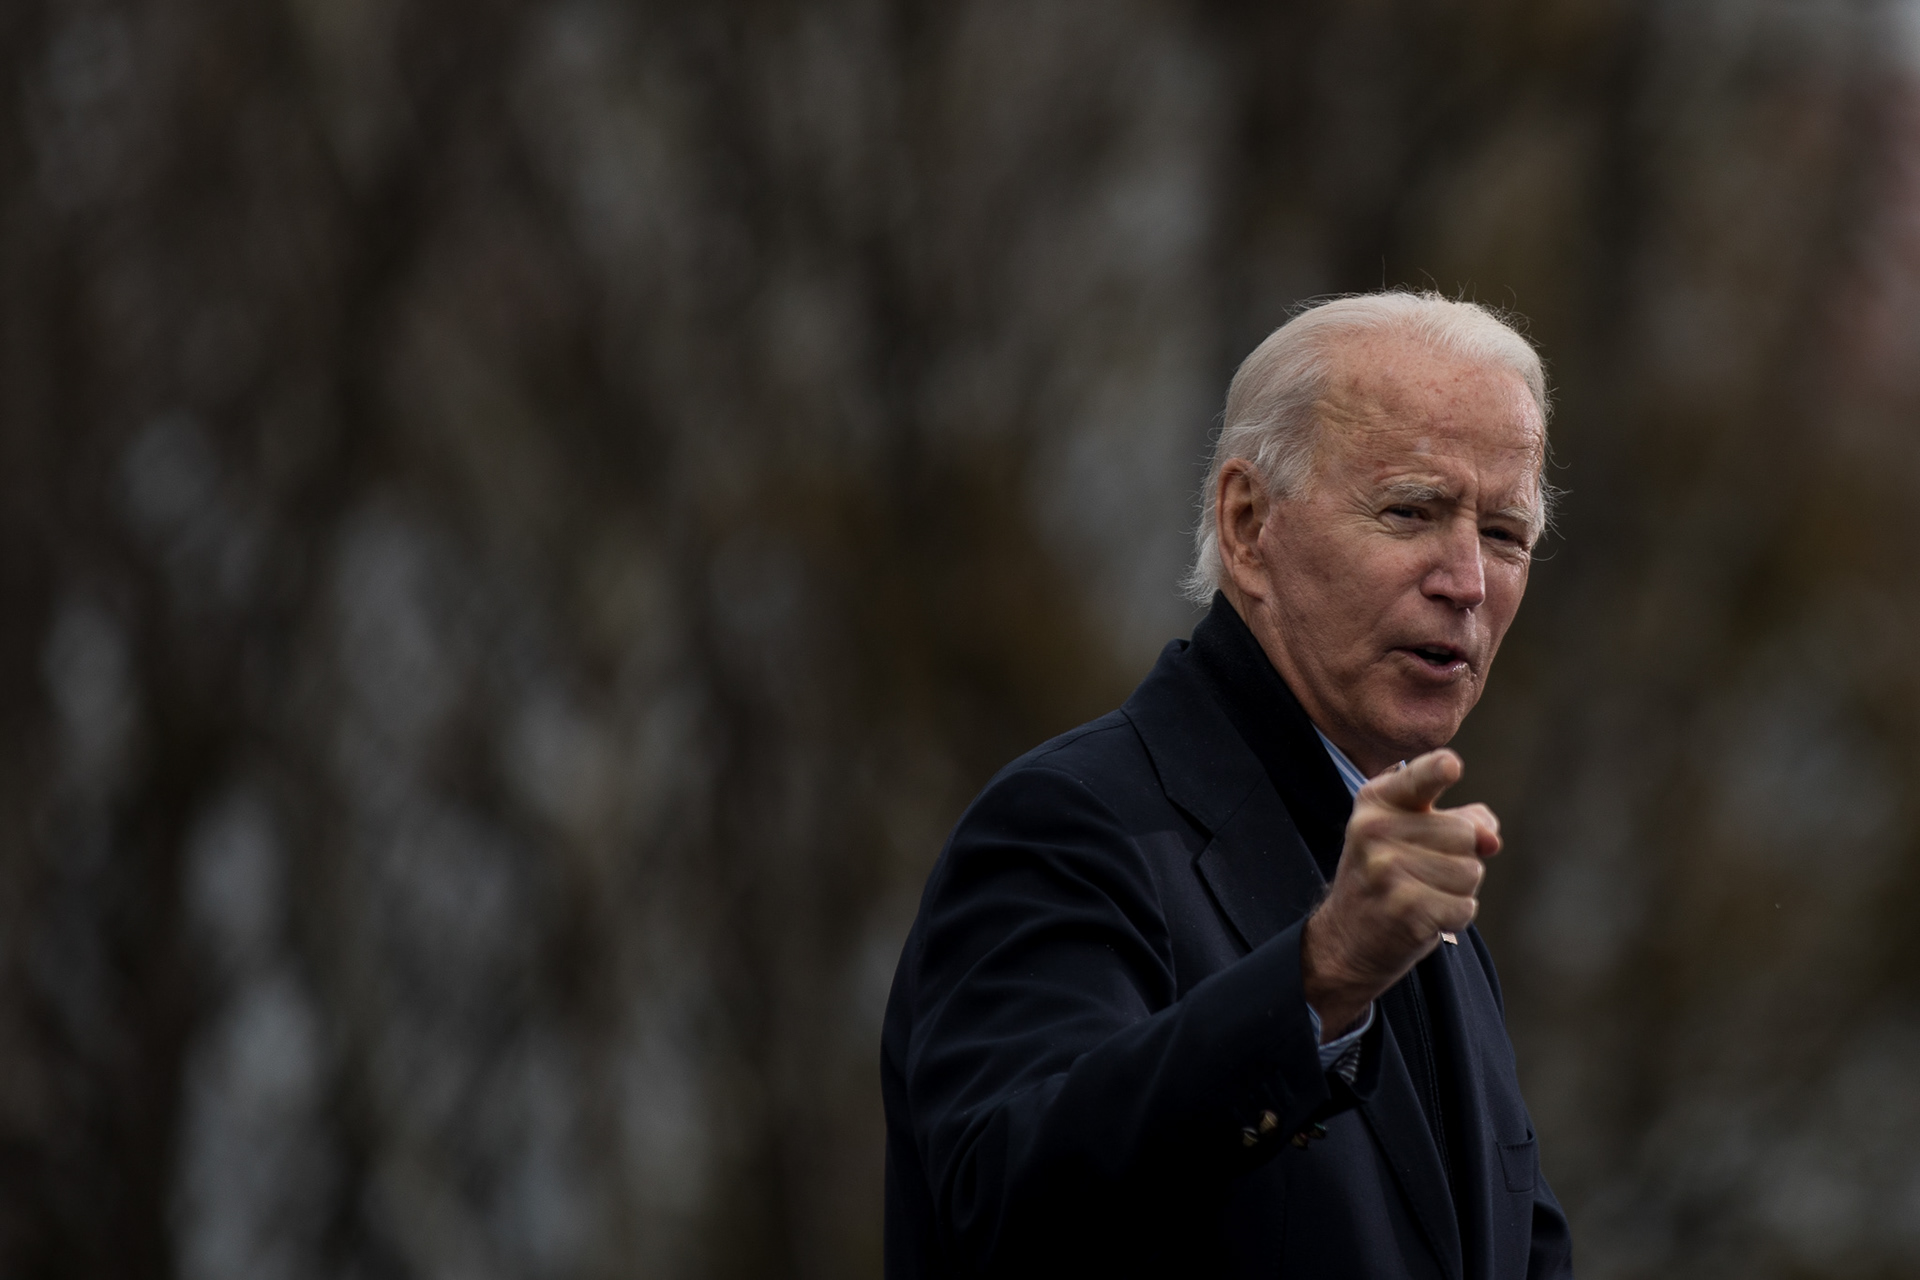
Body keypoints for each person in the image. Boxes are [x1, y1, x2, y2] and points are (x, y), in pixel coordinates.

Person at [881, 292, 1576, 1278]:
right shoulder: (1068, 829)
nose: (1466, 579)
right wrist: (1319, 978)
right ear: (1248, 525)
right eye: (1411, 511)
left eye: (1505, 533)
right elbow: (1001, 1211)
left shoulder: (1435, 918)